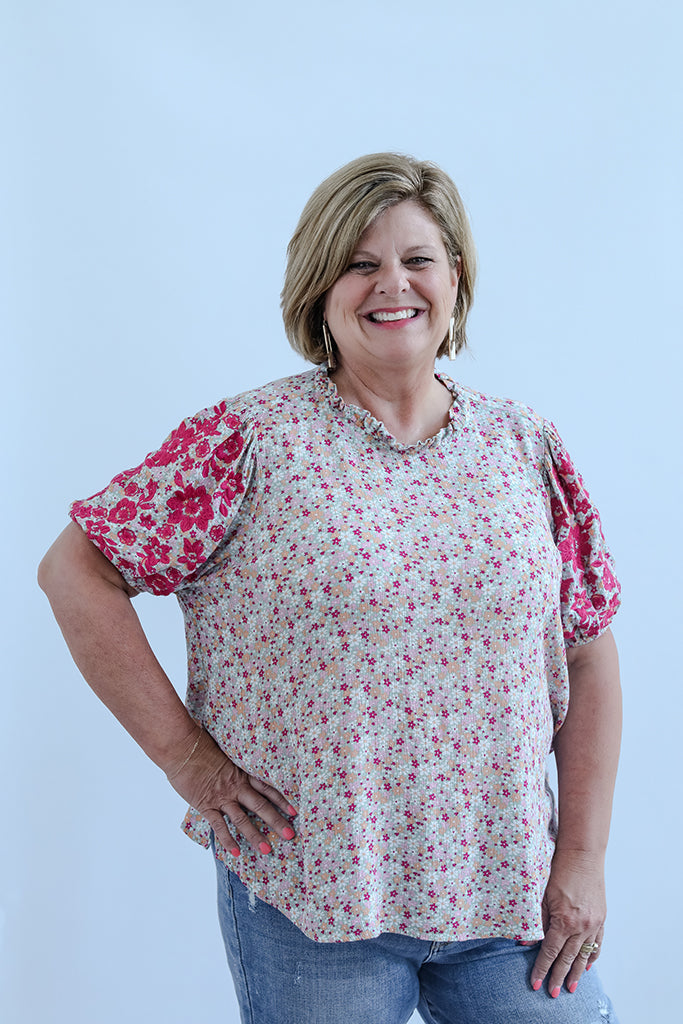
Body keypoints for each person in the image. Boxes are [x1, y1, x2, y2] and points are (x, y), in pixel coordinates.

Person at [38, 153, 622, 1024]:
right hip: (314, 894)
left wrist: (578, 856)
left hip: (510, 895)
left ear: (455, 276)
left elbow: (586, 647)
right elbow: (75, 569)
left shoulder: (521, 447)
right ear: (320, 287)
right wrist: (188, 761)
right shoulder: (248, 441)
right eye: (360, 262)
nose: (393, 283)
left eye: (418, 258)